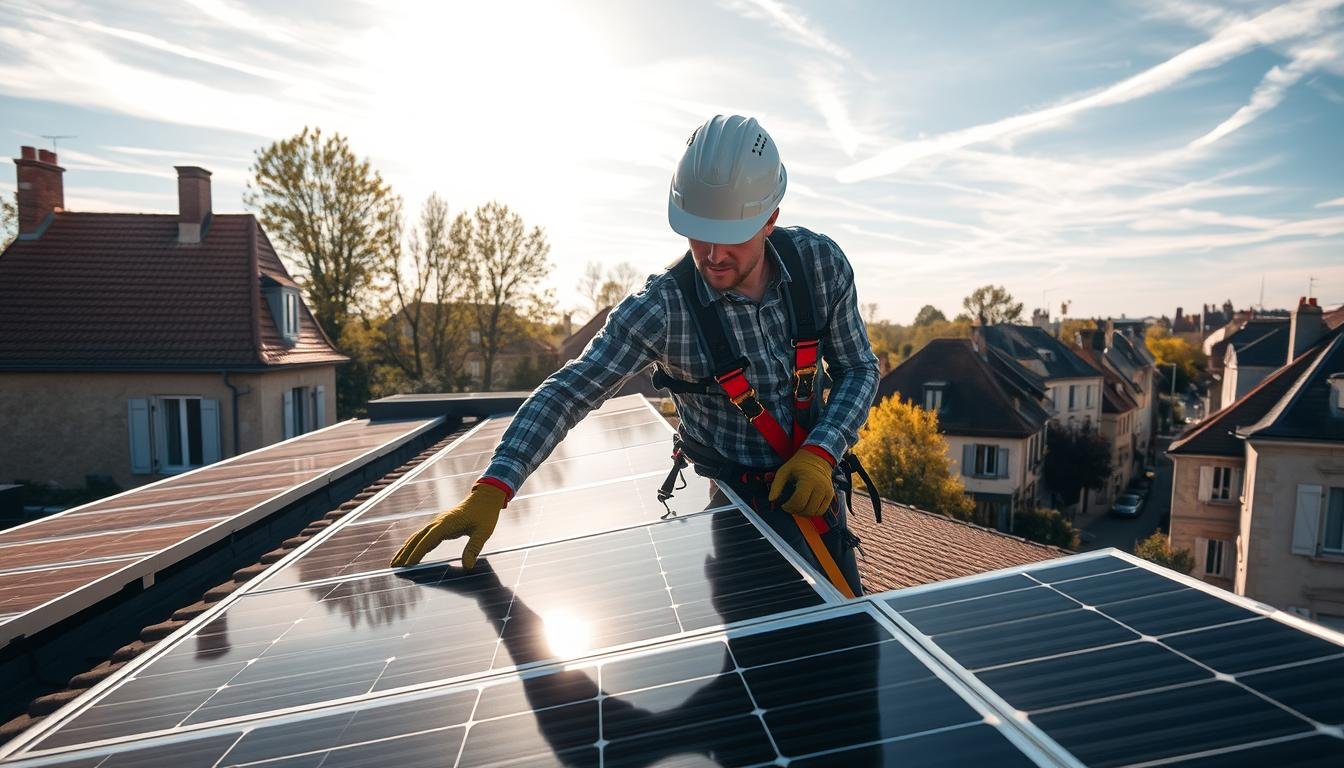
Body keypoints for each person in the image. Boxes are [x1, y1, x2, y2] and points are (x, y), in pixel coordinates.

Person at [391, 114, 879, 595]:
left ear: (770, 217)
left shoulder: (819, 266)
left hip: (818, 489)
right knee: (749, 652)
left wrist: (821, 450)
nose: (710, 255)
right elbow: (568, 392)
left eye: (729, 236)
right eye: (696, 232)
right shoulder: (663, 308)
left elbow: (859, 368)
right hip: (735, 500)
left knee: (848, 638)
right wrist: (494, 487)